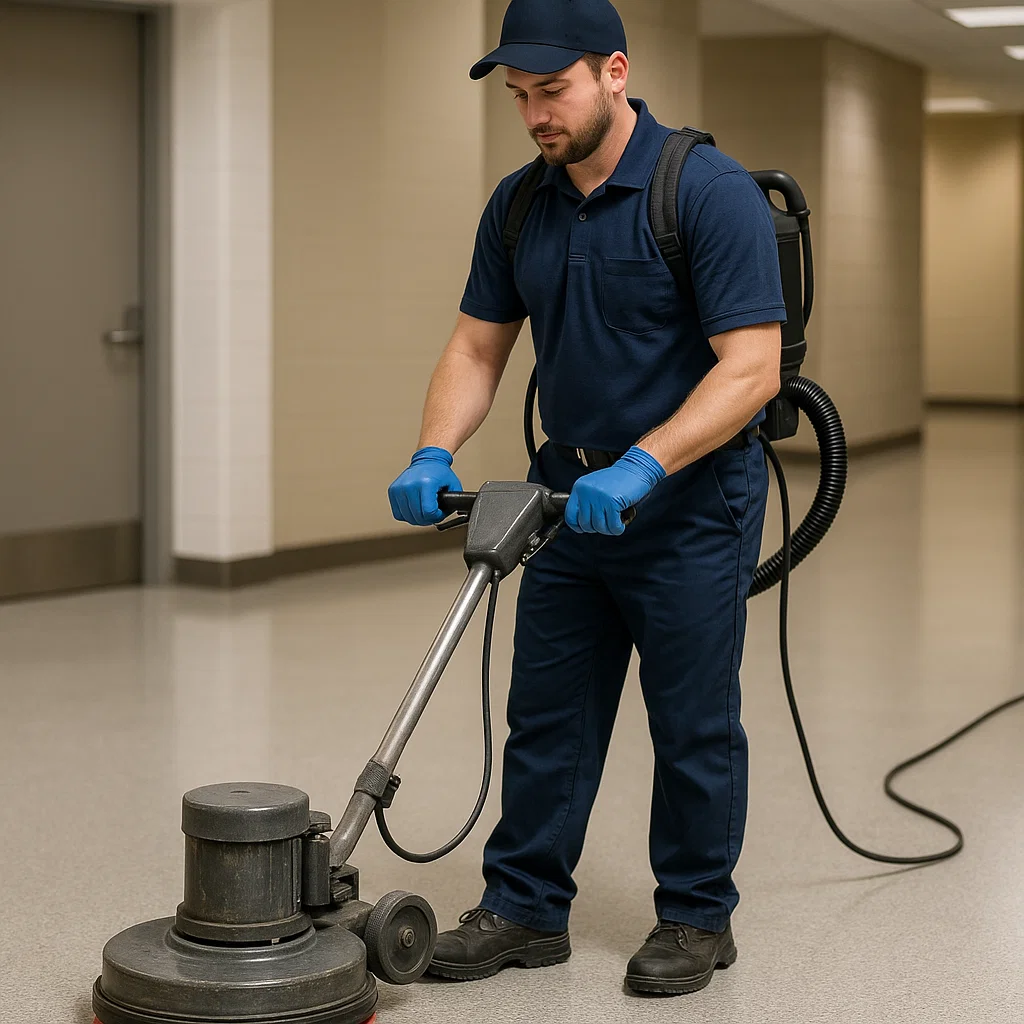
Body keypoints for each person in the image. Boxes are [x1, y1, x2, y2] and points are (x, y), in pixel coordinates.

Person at [386, 0, 785, 997]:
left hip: (690, 499)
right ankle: (524, 907)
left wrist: (646, 464)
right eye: (520, 98)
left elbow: (752, 368)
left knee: (691, 716)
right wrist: (434, 446)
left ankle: (696, 915)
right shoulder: (522, 203)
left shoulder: (706, 190)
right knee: (548, 708)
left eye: (551, 91)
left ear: (614, 72)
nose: (535, 116)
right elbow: (479, 343)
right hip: (566, 493)